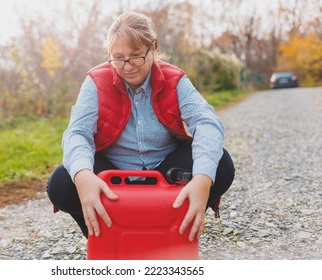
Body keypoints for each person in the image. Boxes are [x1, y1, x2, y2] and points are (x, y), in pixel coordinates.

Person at [47, 11, 235, 242]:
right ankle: (102, 235)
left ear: (152, 48)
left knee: (222, 165)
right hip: (113, 180)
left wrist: (202, 180)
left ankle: (173, 229)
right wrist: (84, 176)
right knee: (62, 183)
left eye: (135, 56)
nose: (127, 66)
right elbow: (77, 133)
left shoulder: (174, 79)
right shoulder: (96, 81)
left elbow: (207, 123)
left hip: (164, 175)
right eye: (118, 57)